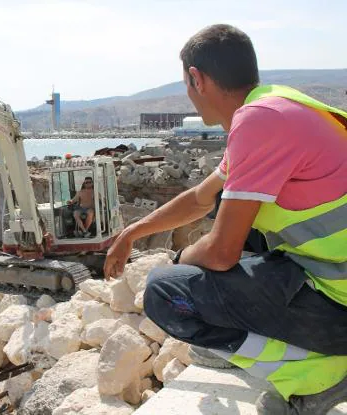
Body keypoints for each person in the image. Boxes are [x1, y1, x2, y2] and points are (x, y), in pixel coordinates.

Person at [104, 24, 347, 414]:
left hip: (338, 308)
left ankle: (318, 379)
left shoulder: (259, 122)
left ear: (196, 78)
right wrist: (134, 231)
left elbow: (220, 254)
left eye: (186, 83)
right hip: (330, 281)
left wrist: (178, 261)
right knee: (226, 206)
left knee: (166, 292)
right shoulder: (278, 107)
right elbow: (201, 199)